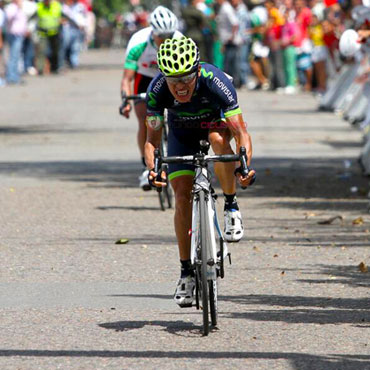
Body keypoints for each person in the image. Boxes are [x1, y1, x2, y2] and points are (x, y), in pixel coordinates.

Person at [144, 37, 256, 307]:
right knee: (181, 196)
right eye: (174, 81)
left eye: (186, 79)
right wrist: (152, 169)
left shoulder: (215, 80)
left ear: (196, 71)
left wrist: (245, 166)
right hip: (181, 133)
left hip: (215, 124)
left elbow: (241, 133)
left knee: (220, 142)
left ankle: (231, 206)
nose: (180, 87)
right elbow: (152, 141)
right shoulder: (157, 89)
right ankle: (185, 273)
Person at [119, 6, 183, 191]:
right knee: (146, 122)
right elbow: (127, 79)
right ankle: (146, 168)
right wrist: (126, 101)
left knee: (179, 118)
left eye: (169, 36)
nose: (165, 40)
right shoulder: (138, 42)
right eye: (161, 37)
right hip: (144, 79)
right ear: (152, 32)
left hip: (170, 78)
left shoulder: (180, 40)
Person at [4, 0, 27, 84]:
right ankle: (11, 77)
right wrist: (16, 8)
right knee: (13, 56)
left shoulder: (18, 8)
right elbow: (8, 18)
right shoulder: (11, 7)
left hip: (19, 35)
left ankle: (14, 75)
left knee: (16, 56)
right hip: (14, 35)